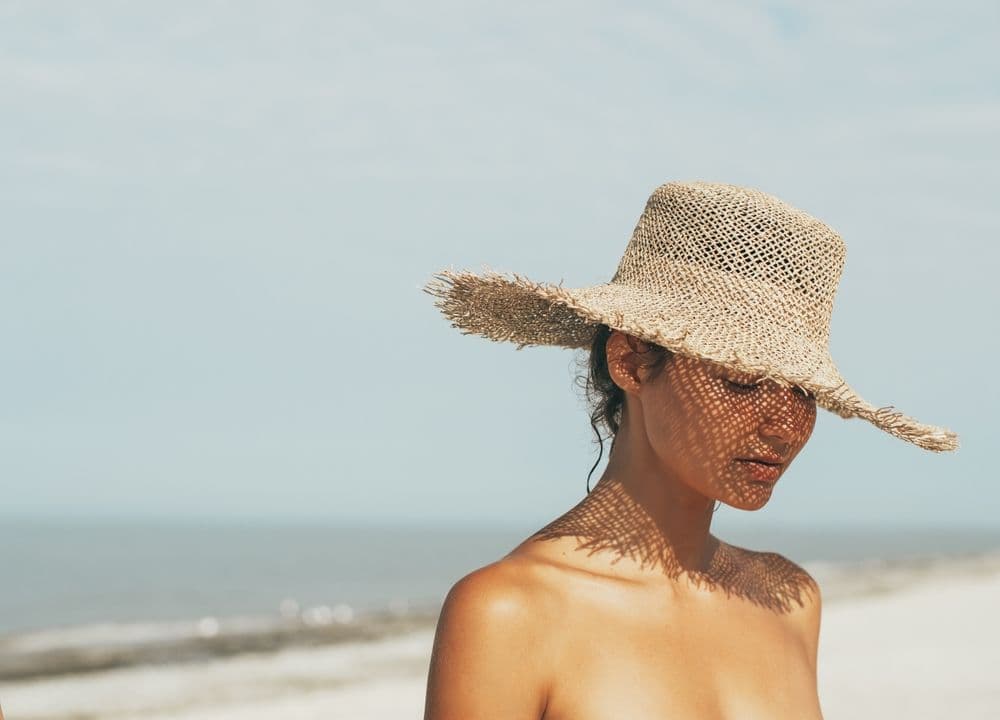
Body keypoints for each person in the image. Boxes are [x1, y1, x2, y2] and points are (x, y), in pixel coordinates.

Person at [421, 181, 957, 719]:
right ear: (630, 361)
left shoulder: (788, 598)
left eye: (803, 390)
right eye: (742, 381)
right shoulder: (509, 612)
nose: (784, 427)